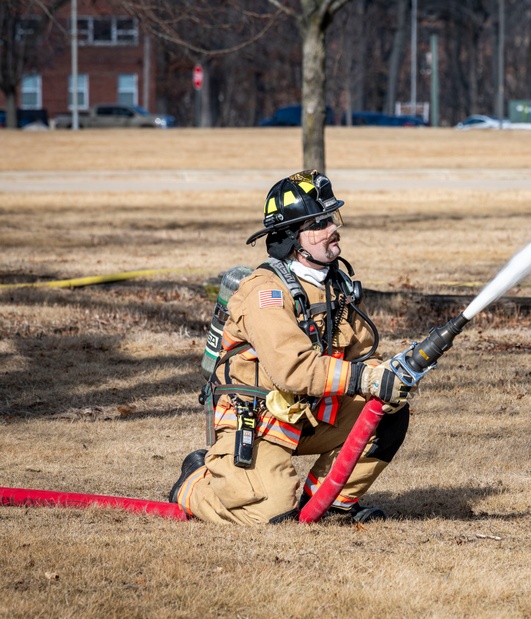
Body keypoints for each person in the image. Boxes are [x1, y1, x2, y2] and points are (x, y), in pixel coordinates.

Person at [168, 170, 410, 525]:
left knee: (388, 410)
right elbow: (293, 370)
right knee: (269, 512)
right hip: (258, 421)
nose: (333, 228)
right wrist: (365, 379)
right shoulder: (265, 292)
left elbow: (362, 354)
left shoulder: (334, 285)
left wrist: (389, 374)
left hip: (308, 414)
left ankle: (330, 504)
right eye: (320, 223)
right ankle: (193, 484)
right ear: (292, 238)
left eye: (332, 218)